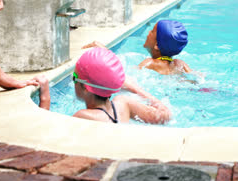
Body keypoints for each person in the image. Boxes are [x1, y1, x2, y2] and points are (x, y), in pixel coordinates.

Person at [35, 47, 171, 124]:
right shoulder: (124, 104)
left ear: (86, 88)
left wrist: (45, 97)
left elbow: (46, 134)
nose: (73, 81)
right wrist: (135, 88)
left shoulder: (84, 116)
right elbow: (164, 115)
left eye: (74, 78)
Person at [83, 20, 191, 75]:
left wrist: (105, 51)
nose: (148, 32)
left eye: (152, 31)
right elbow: (199, 77)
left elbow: (122, 72)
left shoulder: (149, 63)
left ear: (157, 45)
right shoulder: (179, 64)